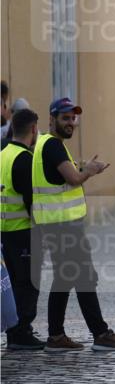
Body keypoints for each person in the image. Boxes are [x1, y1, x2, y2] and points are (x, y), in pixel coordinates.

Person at [32, 97, 115, 352]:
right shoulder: (53, 145)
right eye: (65, 117)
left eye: (73, 118)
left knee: (65, 279)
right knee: (84, 277)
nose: (71, 122)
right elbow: (74, 178)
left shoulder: (46, 144)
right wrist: (90, 170)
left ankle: (56, 337)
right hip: (64, 226)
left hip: (56, 225)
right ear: (52, 119)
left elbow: (61, 177)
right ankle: (100, 334)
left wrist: (82, 166)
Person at [1, 108, 44, 349]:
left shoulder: (2, 153)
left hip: (3, 231)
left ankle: (14, 331)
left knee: (11, 284)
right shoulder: (24, 159)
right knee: (27, 283)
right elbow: (32, 201)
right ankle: (20, 332)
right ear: (34, 129)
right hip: (22, 231)